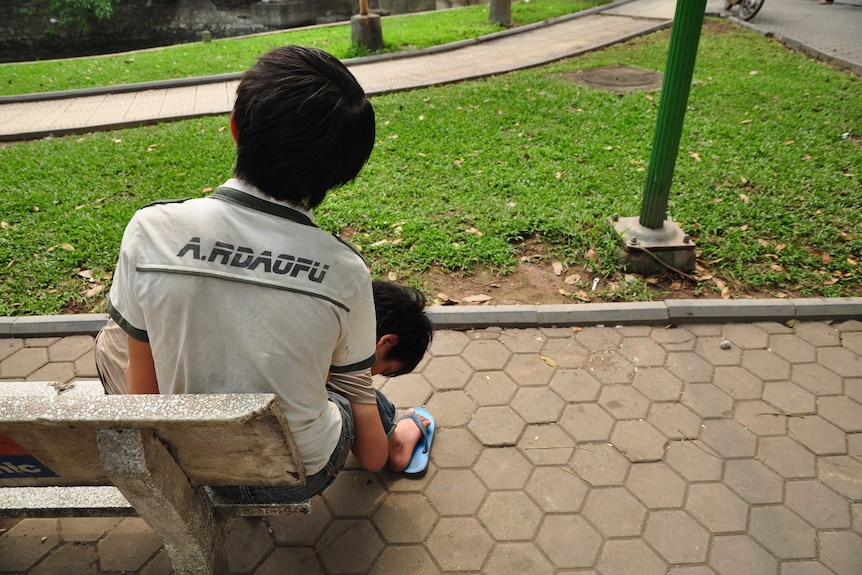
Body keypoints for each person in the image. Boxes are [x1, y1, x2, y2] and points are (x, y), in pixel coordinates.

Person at [103, 46, 432, 502]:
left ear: (236, 127)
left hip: (192, 465)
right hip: (294, 474)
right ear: (343, 171)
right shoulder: (346, 273)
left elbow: (145, 398)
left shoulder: (149, 231)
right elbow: (369, 449)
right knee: (360, 396)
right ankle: (407, 423)